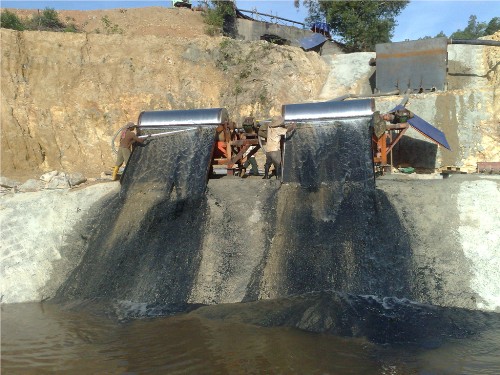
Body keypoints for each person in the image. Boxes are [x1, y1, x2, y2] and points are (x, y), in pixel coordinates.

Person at [262, 115, 296, 180]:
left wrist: (288, 125)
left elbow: (283, 127)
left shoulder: (269, 127)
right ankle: (278, 177)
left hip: (268, 149)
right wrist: (293, 126)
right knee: (277, 163)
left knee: (268, 163)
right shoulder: (278, 129)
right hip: (275, 150)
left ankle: (266, 176)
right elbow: (287, 130)